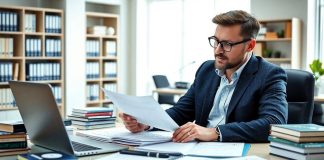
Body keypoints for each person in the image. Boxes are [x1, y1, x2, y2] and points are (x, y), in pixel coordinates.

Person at [119, 10, 288, 143]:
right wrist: (148, 123)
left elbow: (274, 123)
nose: (217, 50)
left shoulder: (269, 75)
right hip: (195, 150)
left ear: (250, 45)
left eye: (227, 44)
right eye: (216, 41)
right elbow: (182, 111)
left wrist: (215, 132)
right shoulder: (207, 70)